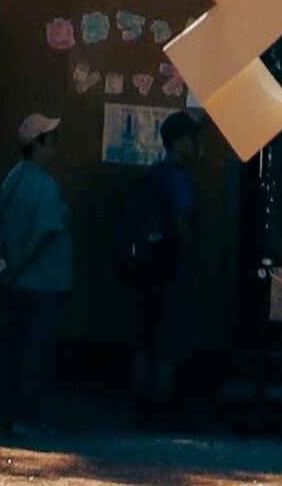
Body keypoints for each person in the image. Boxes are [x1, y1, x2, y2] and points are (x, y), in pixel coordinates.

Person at [0, 116, 74, 437]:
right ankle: (27, 418)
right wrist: (19, 266)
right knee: (36, 354)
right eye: (50, 137)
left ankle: (0, 416)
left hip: (16, 284)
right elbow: (43, 234)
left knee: (12, 351)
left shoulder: (13, 178)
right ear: (37, 144)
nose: (56, 142)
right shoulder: (44, 185)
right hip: (43, 283)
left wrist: (5, 269)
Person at [114, 132, 199, 422]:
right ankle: (163, 402)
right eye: (192, 139)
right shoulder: (180, 177)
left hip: (145, 266)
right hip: (171, 268)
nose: (196, 145)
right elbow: (182, 224)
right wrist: (193, 268)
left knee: (144, 337)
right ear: (178, 141)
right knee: (166, 342)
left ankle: (140, 400)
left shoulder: (154, 173)